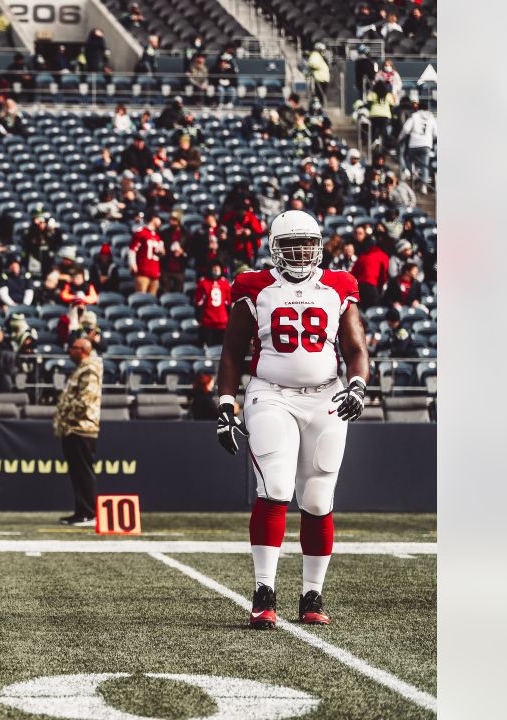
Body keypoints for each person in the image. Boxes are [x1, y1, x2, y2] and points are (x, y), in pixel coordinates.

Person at [215, 210, 369, 629]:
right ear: (274, 248)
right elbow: (231, 351)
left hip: (326, 395)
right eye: (291, 245)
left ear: (319, 246)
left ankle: (312, 593)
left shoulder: (339, 285)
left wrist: (357, 386)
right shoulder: (254, 285)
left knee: (318, 498)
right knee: (277, 487)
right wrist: (227, 404)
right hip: (271, 394)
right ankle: (264, 589)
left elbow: (356, 348)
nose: (300, 252)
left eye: (307, 244)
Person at [53, 338, 102, 526]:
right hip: (74, 428)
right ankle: (81, 511)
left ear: (83, 350)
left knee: (83, 473)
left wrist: (66, 415)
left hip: (81, 428)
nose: (69, 351)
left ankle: (89, 513)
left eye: (72, 348)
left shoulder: (89, 369)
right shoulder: (82, 367)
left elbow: (85, 400)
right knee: (77, 473)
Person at [398, 102, 437, 193]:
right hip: (426, 145)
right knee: (424, 166)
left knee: (409, 160)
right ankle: (424, 187)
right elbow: (436, 133)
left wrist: (399, 138)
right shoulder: (431, 118)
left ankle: (413, 174)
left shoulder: (414, 116)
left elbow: (406, 129)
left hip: (414, 144)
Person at [195, 262, 232, 347]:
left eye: (217, 268)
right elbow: (198, 302)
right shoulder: (203, 282)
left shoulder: (225, 283)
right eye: (214, 267)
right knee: (210, 348)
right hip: (207, 322)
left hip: (222, 322)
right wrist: (199, 318)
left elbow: (228, 303)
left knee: (220, 349)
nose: (216, 269)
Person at [128, 213, 165, 294]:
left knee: (151, 301)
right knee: (141, 299)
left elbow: (160, 254)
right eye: (159, 219)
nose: (160, 222)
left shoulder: (157, 236)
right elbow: (132, 249)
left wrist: (161, 252)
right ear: (154, 218)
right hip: (142, 272)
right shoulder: (141, 232)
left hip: (154, 273)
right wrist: (132, 264)